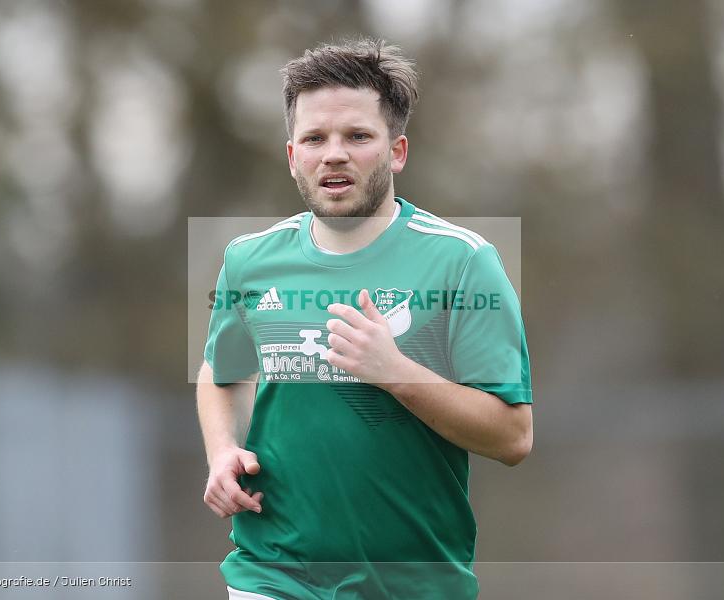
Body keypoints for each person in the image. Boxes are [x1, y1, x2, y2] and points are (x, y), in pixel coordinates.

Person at [197, 38, 533, 600]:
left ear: (397, 151)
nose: (334, 154)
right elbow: (220, 370)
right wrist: (221, 450)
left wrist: (393, 371)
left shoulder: (463, 261)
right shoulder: (249, 260)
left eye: (357, 136)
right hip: (272, 573)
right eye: (314, 138)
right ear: (292, 155)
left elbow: (512, 436)